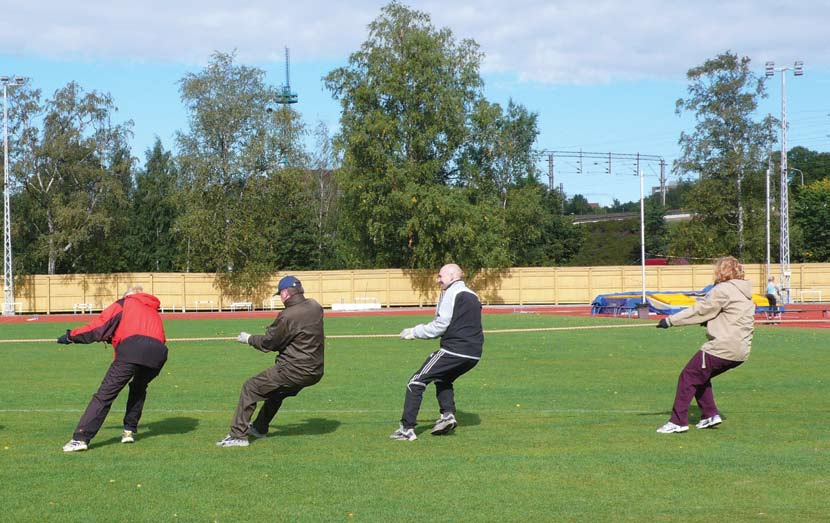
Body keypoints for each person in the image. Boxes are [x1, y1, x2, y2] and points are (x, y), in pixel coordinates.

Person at [216, 275, 325, 447]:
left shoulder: (288, 315)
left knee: (250, 387)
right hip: (315, 371)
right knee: (277, 392)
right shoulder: (315, 306)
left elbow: (270, 343)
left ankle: (238, 435)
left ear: (285, 293)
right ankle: (259, 428)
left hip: (294, 370)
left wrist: (249, 339)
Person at [59, 286, 169, 452]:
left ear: (128, 296)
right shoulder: (152, 310)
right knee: (138, 388)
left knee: (104, 395)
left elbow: (98, 327)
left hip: (132, 350)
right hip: (158, 353)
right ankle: (129, 430)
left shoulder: (126, 303)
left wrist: (70, 336)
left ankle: (81, 438)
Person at [654, 256, 755, 434]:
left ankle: (678, 421)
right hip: (740, 351)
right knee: (700, 376)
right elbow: (728, 316)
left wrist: (670, 321)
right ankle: (709, 414)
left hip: (722, 347)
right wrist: (709, 321)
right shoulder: (744, 293)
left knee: (687, 377)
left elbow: (701, 310)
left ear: (721, 271)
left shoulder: (723, 289)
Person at [390, 263, 484, 441]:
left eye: (440, 276)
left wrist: (414, 332)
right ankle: (447, 416)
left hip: (455, 350)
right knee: (443, 378)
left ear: (452, 276)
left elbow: (441, 325)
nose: (438, 280)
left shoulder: (452, 293)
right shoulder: (473, 295)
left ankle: (406, 429)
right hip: (474, 354)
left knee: (415, 382)